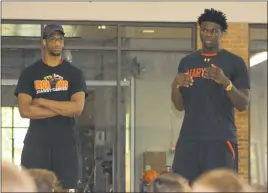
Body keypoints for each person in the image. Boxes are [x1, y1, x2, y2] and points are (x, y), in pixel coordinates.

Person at [171, 8, 250, 185]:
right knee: (182, 187)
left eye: (214, 31)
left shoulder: (235, 62)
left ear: (222, 33)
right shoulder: (187, 62)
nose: (208, 35)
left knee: (220, 188)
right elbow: (179, 105)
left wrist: (225, 82)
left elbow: (243, 104)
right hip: (189, 140)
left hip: (220, 140)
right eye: (205, 30)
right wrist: (175, 85)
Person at [15, 24, 87, 191]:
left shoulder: (74, 74)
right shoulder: (30, 73)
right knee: (34, 187)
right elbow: (25, 110)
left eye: (60, 39)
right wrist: (63, 108)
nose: (57, 43)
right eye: (52, 39)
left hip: (66, 144)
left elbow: (77, 108)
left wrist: (42, 102)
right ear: (44, 42)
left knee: (64, 189)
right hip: (36, 143)